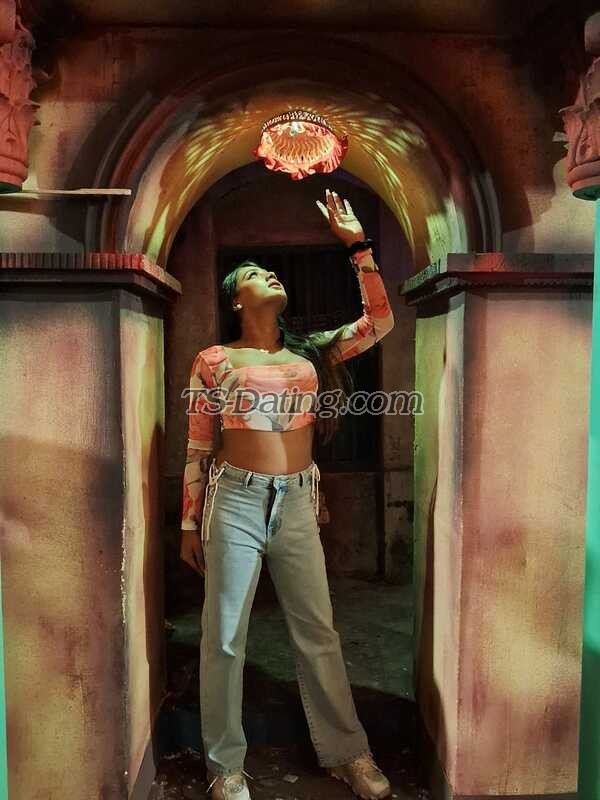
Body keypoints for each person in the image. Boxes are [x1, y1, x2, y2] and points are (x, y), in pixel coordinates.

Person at [180, 188, 395, 800]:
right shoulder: (214, 360)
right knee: (225, 636)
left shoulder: (310, 352)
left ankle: (348, 752)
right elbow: (198, 446)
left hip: (297, 500)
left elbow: (380, 323)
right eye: (253, 273)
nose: (269, 275)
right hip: (235, 502)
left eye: (270, 272)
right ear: (235, 299)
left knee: (318, 631)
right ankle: (225, 766)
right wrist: (188, 524)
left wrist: (357, 246)